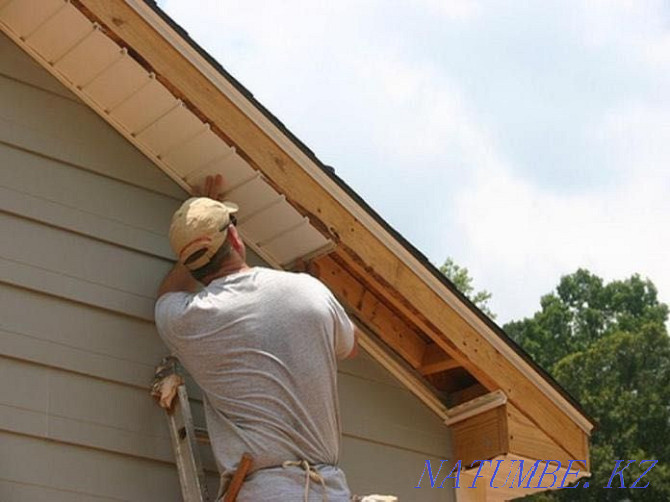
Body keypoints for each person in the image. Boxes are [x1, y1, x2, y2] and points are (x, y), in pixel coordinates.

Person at [154, 175, 357, 501]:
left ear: (191, 267)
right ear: (234, 237)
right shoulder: (309, 290)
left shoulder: (188, 320)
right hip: (328, 491)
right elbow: (350, 345)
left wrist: (192, 243)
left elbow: (167, 294)